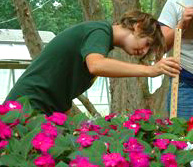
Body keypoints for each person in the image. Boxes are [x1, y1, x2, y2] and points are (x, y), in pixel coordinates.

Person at [6, 10, 180, 114]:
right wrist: (149, 71)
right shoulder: (99, 31)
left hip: (43, 111)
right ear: (138, 26)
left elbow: (61, 94)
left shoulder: (100, 43)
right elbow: (96, 65)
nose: (143, 51)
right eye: (147, 44)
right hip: (25, 108)